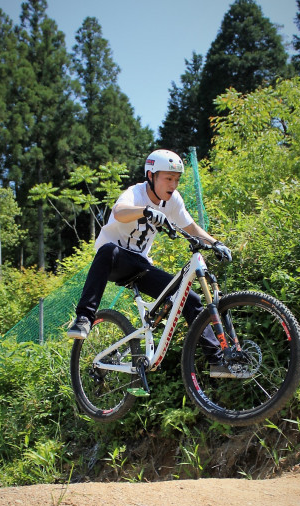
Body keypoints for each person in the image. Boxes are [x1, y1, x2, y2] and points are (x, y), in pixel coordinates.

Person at [66, 149, 236, 375]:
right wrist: (146, 211)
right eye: (168, 178)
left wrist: (216, 243)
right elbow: (119, 212)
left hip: (141, 265)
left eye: (176, 179)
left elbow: (190, 227)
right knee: (108, 251)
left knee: (189, 299)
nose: (173, 184)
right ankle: (84, 317)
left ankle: (216, 361)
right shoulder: (135, 193)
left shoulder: (173, 201)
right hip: (114, 260)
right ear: (151, 176)